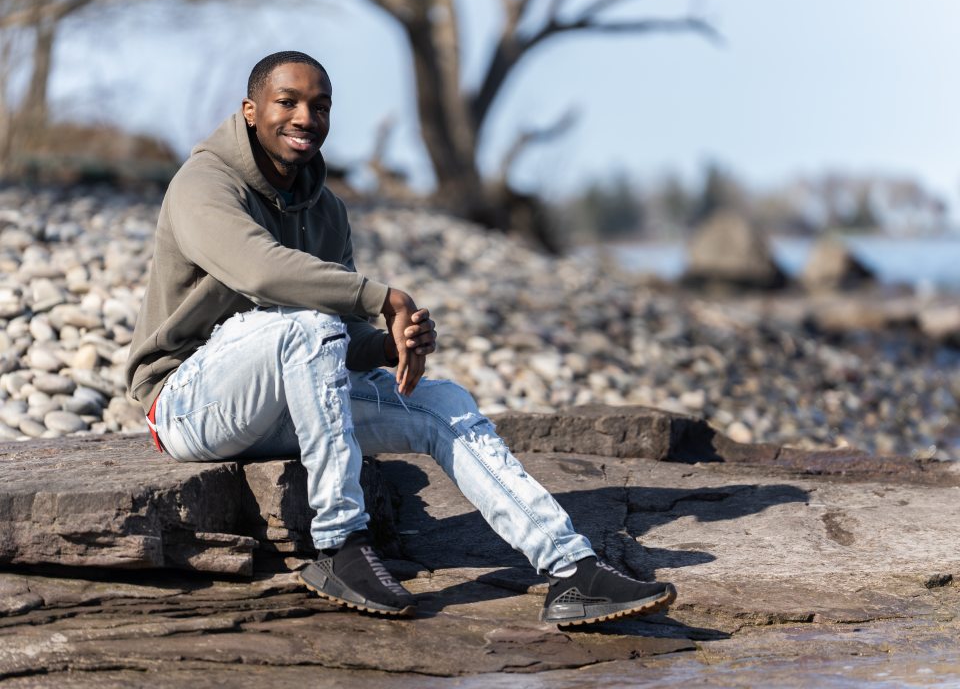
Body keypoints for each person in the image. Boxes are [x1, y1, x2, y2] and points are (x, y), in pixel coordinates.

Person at [125, 50, 676, 627]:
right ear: (250, 110)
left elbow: (340, 344)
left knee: (443, 402)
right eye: (287, 102)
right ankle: (340, 544)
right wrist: (380, 298)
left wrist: (390, 344)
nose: (305, 117)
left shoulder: (327, 210)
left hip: (286, 399)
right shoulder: (204, 183)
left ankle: (571, 569)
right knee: (307, 324)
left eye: (320, 106)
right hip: (188, 404)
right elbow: (259, 271)